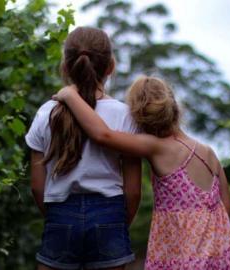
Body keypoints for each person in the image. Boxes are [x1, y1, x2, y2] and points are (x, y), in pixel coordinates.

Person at [52, 76, 230, 270]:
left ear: (139, 116)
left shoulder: (156, 147)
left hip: (180, 255)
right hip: (221, 254)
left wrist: (69, 96)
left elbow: (103, 135)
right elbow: (226, 207)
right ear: (173, 105)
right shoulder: (208, 152)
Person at [25, 27, 142, 270]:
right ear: (110, 66)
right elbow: (133, 191)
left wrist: (58, 219)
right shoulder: (125, 115)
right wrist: (119, 223)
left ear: (65, 67)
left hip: (59, 211)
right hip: (109, 213)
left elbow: (37, 186)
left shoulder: (46, 112)